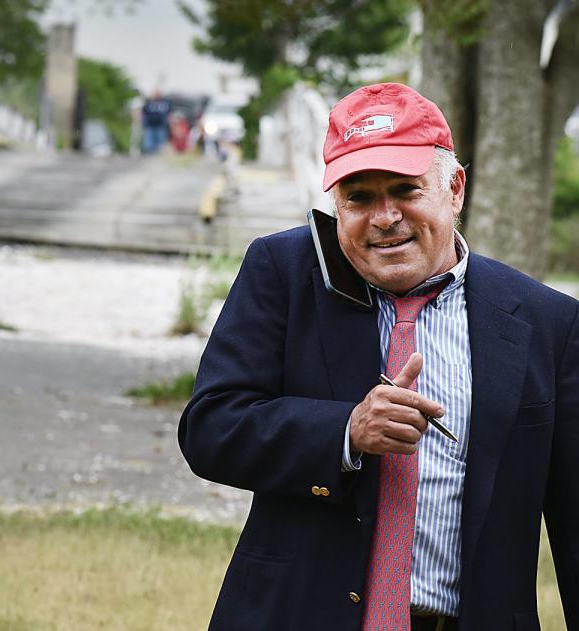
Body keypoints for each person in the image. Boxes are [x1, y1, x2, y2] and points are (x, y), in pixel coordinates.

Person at [179, 82, 579, 630]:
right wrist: (346, 429)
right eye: (359, 197)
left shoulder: (546, 321)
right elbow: (210, 428)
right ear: (335, 203)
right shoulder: (283, 271)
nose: (384, 217)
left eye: (405, 190)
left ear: (454, 188)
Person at [141, 89, 170, 154]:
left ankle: (159, 161)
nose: (156, 95)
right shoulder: (148, 103)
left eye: (157, 93)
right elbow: (143, 113)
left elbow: (169, 114)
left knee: (161, 146)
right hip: (149, 126)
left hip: (161, 126)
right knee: (148, 145)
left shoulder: (165, 103)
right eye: (154, 93)